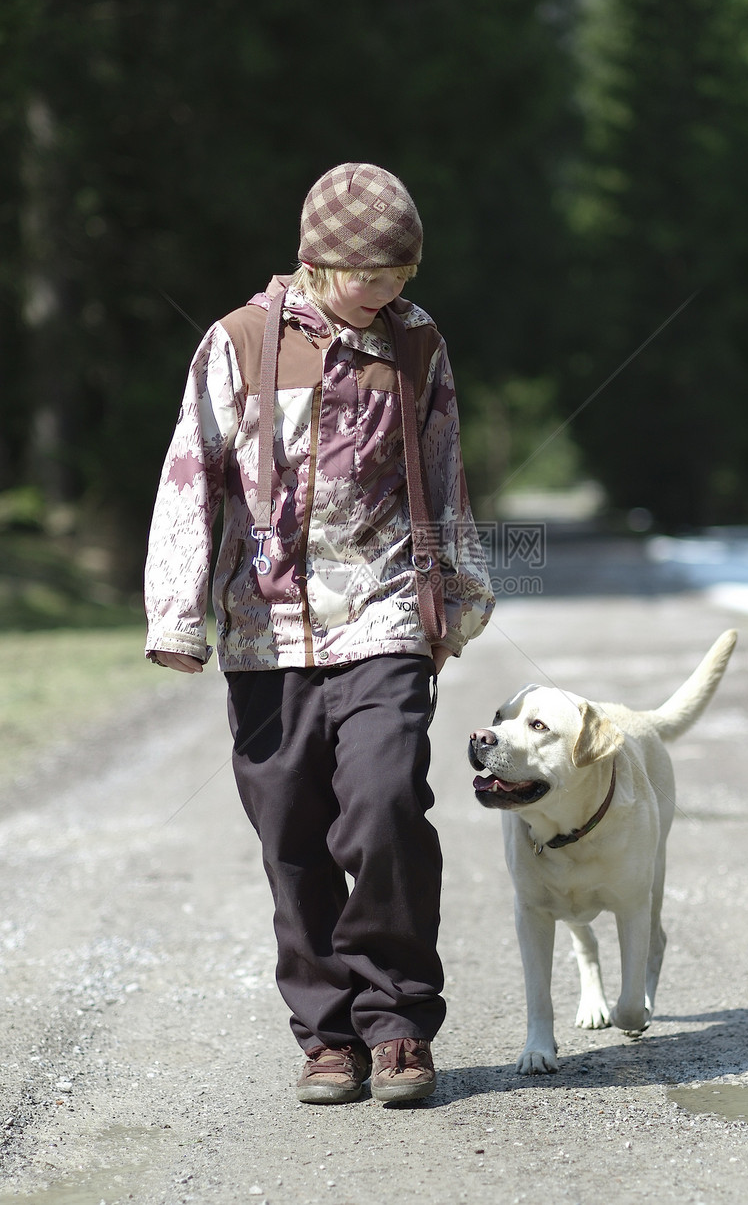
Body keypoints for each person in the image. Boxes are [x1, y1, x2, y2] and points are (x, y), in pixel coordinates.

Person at [144, 162, 494, 1105]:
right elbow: (192, 472)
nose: (393, 293)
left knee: (384, 804)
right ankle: (328, 1037)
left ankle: (398, 1025)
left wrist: (456, 595)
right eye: (375, 276)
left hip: (381, 613)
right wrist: (176, 613)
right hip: (267, 631)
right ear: (319, 260)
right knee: (291, 835)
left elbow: (444, 466)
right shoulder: (239, 342)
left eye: (403, 277)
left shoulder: (415, 344)